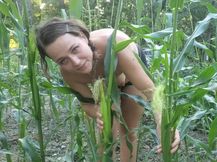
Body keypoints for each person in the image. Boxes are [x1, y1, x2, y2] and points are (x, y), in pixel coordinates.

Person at [36, 17, 180, 162]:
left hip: (130, 73)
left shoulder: (115, 44)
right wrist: (99, 113)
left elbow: (152, 92)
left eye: (74, 49)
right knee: (106, 136)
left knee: (129, 131)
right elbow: (87, 104)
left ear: (82, 36)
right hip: (103, 83)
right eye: (62, 60)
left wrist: (163, 121)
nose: (76, 62)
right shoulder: (68, 73)